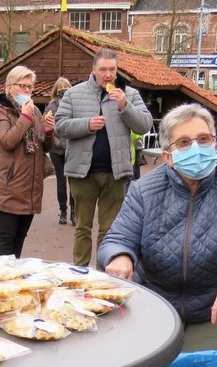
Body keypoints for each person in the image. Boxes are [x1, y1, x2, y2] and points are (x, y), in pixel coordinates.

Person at [98, 103, 217, 351]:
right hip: (153, 304)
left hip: (213, 309)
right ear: (167, 156)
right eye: (184, 142)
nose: (196, 148)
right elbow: (117, 239)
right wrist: (121, 256)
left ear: (215, 145)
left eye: (203, 139)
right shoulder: (144, 189)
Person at [55, 48, 153, 266]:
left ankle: (103, 273)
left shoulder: (130, 95)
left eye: (112, 70)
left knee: (109, 229)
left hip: (115, 173)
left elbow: (145, 125)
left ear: (117, 71)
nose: (108, 74)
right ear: (93, 70)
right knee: (82, 227)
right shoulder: (74, 93)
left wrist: (124, 106)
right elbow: (60, 126)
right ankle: (79, 272)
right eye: (103, 69)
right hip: (83, 172)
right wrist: (86, 124)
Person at [0, 66, 54, 257]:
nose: (27, 91)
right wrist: (25, 116)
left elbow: (46, 147)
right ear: (9, 87)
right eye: (22, 86)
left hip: (29, 188)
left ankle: (12, 282)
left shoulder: (34, 111)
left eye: (30, 87)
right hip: (7, 187)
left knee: (19, 241)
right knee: (5, 242)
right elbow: (8, 140)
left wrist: (48, 132)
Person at [45, 77, 74, 225]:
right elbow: (47, 126)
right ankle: (63, 210)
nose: (63, 90)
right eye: (61, 88)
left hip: (72, 147)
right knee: (61, 181)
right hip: (56, 149)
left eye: (66, 87)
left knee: (74, 181)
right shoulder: (51, 106)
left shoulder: (75, 104)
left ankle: (74, 212)